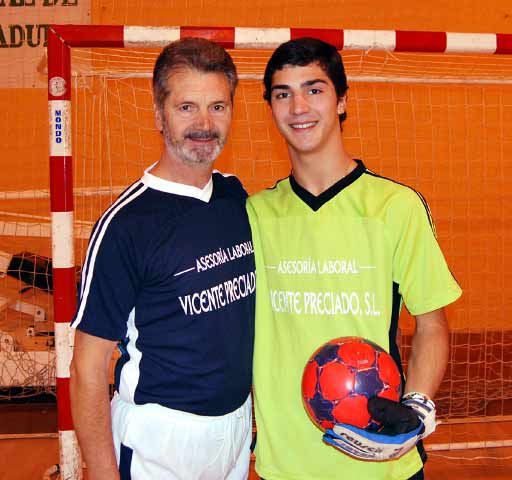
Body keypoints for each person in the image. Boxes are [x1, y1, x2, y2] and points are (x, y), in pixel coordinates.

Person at [246, 37, 462, 480]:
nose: (298, 107)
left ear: (342, 101)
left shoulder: (395, 207)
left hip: (382, 463)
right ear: (270, 107)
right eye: (282, 94)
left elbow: (432, 324)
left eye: (315, 89)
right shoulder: (254, 215)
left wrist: (418, 404)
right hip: (286, 466)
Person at [69, 38, 255, 480]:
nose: (204, 124)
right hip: (160, 441)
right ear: (158, 114)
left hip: (234, 428)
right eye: (187, 107)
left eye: (218, 106)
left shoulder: (234, 198)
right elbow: (87, 368)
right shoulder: (126, 225)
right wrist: (101, 471)